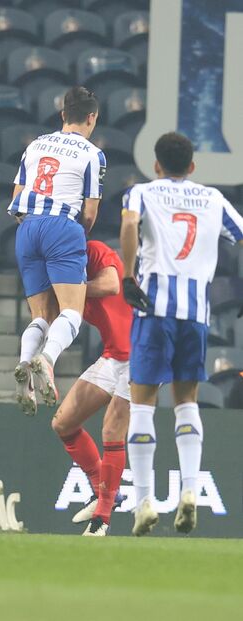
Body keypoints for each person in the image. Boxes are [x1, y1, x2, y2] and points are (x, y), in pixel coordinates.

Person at [120, 131, 243, 536]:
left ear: (156, 164)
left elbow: (129, 223)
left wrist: (127, 273)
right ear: (192, 167)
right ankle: (190, 490)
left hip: (154, 309)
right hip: (196, 314)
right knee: (186, 400)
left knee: (142, 403)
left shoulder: (142, 192)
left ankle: (143, 502)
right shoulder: (212, 199)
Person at [9, 87, 107, 413]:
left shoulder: (35, 144)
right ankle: (46, 360)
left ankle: (24, 364)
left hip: (27, 227)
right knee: (71, 313)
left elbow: (18, 191)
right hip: (61, 225)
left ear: (63, 114)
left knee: (41, 315)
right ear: (92, 117)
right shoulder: (93, 154)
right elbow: (90, 211)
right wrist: (75, 236)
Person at [49, 241, 131, 536]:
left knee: (111, 431)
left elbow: (111, 285)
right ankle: (106, 491)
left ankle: (102, 518)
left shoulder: (93, 251)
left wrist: (74, 288)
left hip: (142, 354)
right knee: (63, 423)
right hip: (113, 356)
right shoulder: (66, 290)